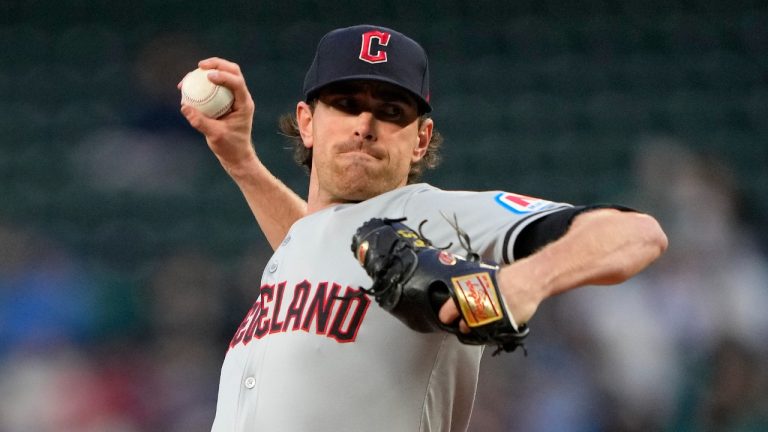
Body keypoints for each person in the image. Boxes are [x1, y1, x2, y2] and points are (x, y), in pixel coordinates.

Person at [180, 24, 668, 432]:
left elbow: (637, 233)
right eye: (347, 103)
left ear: (421, 140)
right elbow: (317, 245)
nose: (365, 123)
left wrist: (520, 284)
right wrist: (242, 161)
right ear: (307, 122)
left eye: (392, 111)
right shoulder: (314, 240)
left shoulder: (434, 216)